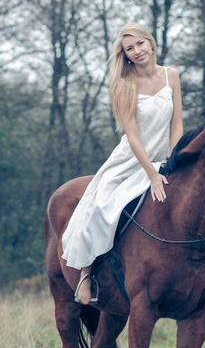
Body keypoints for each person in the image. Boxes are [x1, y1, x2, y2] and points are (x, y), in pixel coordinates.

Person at [62, 22, 183, 304]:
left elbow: (177, 126)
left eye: (140, 44)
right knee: (102, 205)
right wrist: (152, 174)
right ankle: (85, 273)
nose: (137, 51)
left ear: (151, 44)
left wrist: (173, 162)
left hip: (166, 157)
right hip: (132, 159)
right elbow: (133, 136)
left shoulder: (171, 76)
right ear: (125, 55)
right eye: (130, 49)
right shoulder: (123, 85)